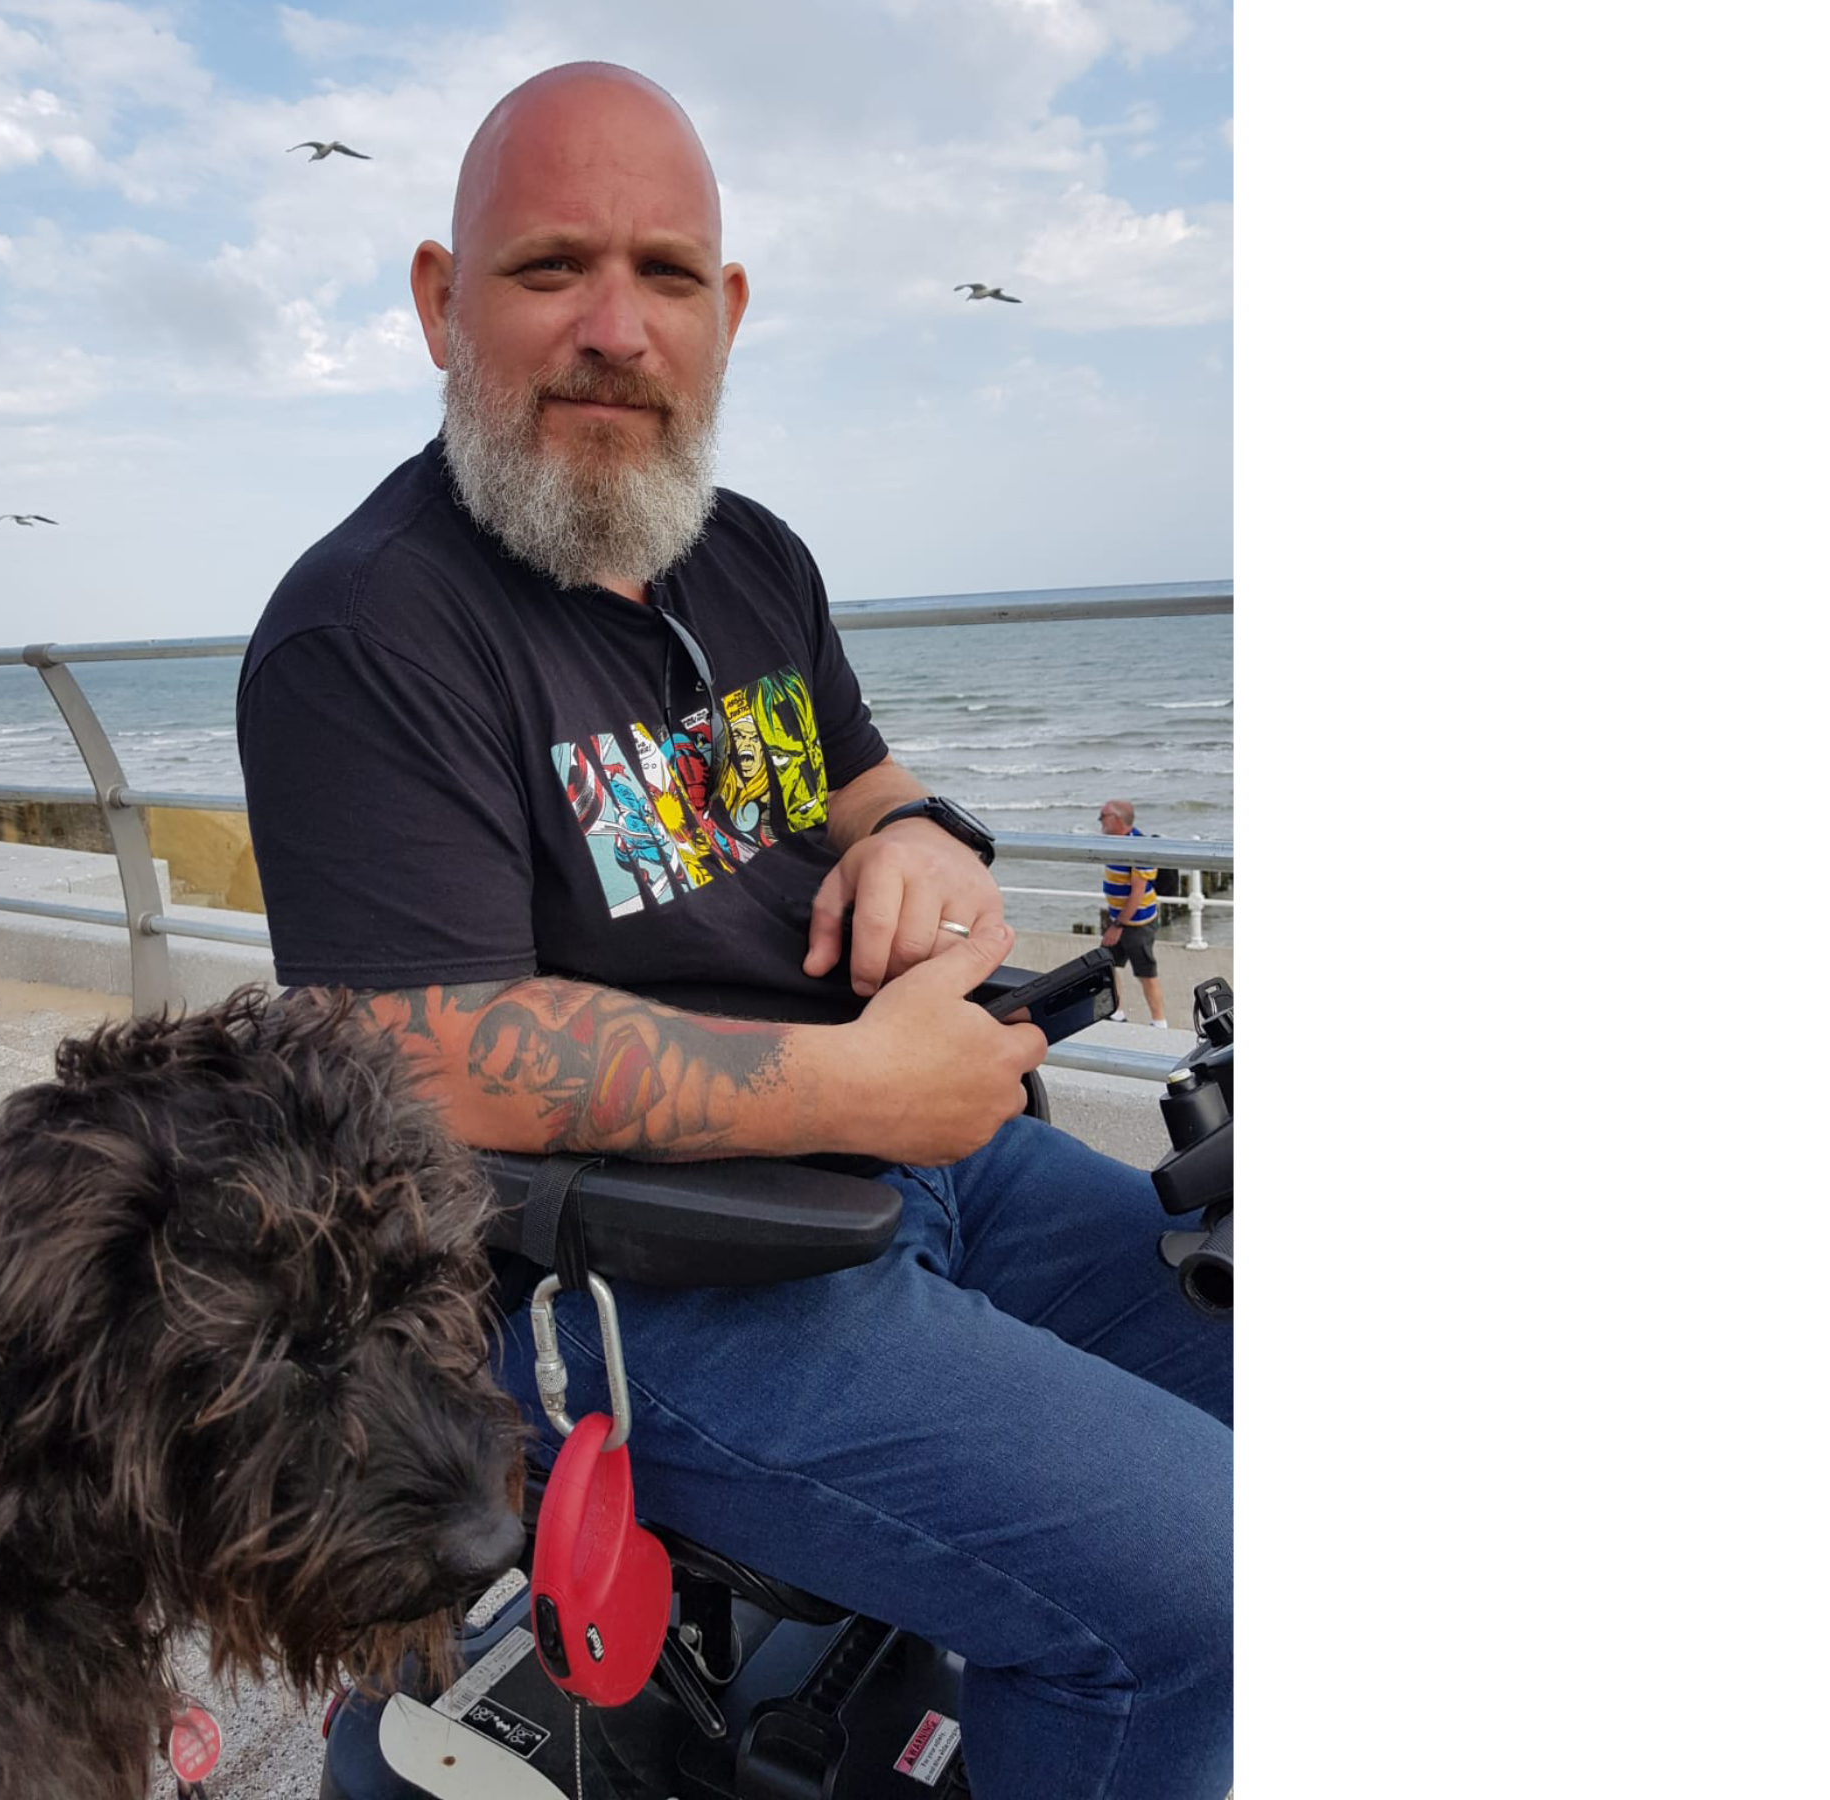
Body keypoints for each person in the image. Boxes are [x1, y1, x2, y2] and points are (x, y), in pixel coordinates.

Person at [234, 63, 1229, 1800]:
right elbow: (429, 1049)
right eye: (552, 268)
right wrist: (863, 1086)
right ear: (437, 301)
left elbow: (863, 780)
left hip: (911, 1171)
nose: (616, 328)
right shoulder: (367, 628)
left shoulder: (742, 555)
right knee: (1200, 1585)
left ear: (729, 310)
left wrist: (919, 840)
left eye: (667, 275)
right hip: (622, 1291)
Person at [1097, 798, 1170, 1027]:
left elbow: (1137, 894)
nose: (1100, 821)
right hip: (1118, 919)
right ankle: (1116, 1012)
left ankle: (1159, 1023)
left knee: (1145, 973)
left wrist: (1117, 926)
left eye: (1103, 816)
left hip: (1136, 923)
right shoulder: (1116, 844)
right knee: (1106, 965)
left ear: (1117, 819)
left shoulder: (1138, 847)